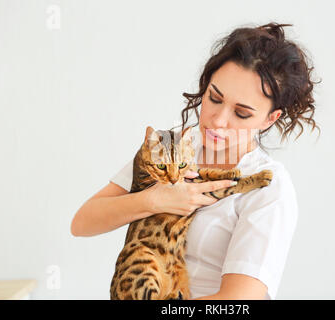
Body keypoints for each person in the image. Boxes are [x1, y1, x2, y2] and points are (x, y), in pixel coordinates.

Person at [71, 22, 320, 300]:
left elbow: (238, 301)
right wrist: (154, 200)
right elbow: (83, 223)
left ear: (269, 118)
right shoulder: (170, 149)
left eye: (241, 113)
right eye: (214, 98)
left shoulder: (270, 188)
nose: (218, 119)